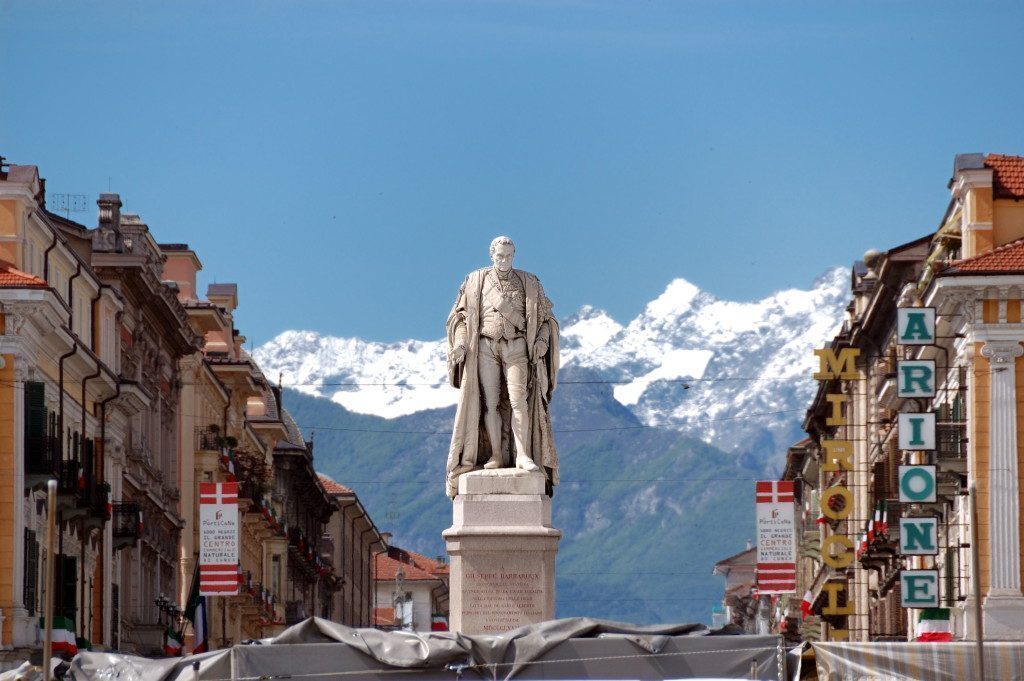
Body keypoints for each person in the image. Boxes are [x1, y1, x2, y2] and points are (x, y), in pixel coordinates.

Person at [444, 236, 560, 498]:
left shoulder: (530, 282)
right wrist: (461, 344)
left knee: (519, 401)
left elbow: (545, 319)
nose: (504, 260)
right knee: (491, 403)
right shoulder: (475, 281)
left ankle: (523, 455)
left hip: (517, 346)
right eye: (500, 256)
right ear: (491, 254)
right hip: (485, 346)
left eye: (508, 256)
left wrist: (542, 341)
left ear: (514, 254)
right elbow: (460, 319)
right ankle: (496, 454)